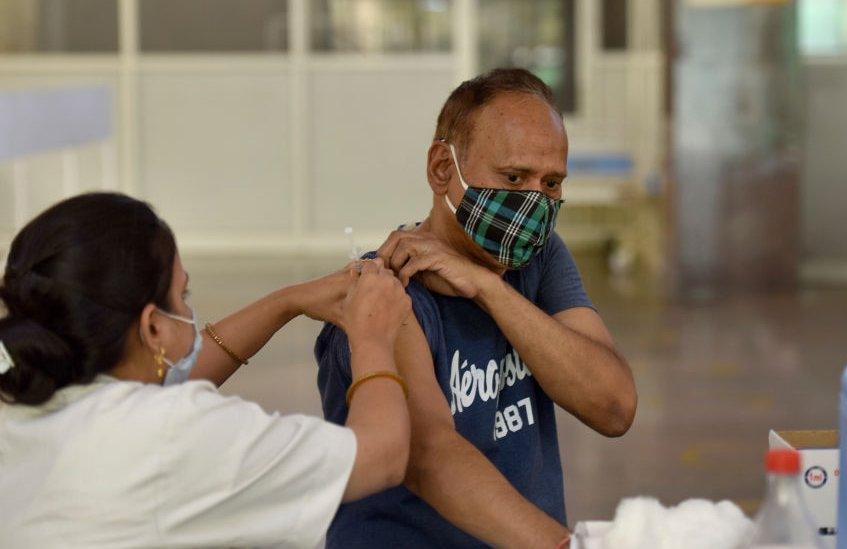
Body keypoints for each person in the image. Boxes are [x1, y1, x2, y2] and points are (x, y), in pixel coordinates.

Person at [316, 68, 638, 547]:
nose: (533, 202)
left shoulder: (539, 257)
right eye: (513, 177)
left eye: (551, 184)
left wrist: (489, 289)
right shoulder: (384, 289)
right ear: (443, 169)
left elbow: (612, 406)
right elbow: (429, 454)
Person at [0, 192, 412, 548]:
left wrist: (287, 302)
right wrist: (372, 335)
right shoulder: (171, 435)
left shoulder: (22, 388)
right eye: (182, 294)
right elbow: (381, 457)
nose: (188, 309)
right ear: (152, 326)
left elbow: (158, 399)